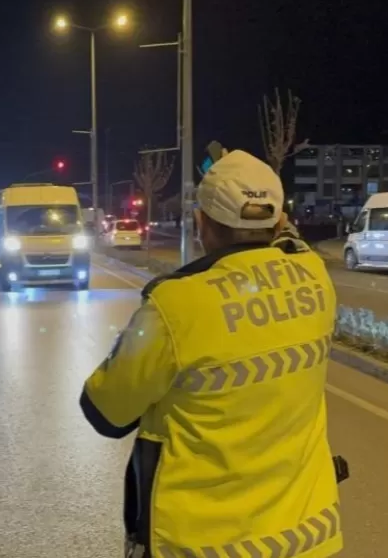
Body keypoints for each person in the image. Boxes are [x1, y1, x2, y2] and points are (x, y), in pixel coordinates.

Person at [80, 150, 344, 558]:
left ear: (201, 222)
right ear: (278, 221)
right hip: (306, 539)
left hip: (204, 545)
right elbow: (290, 242)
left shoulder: (176, 305)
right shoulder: (315, 278)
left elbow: (106, 411)